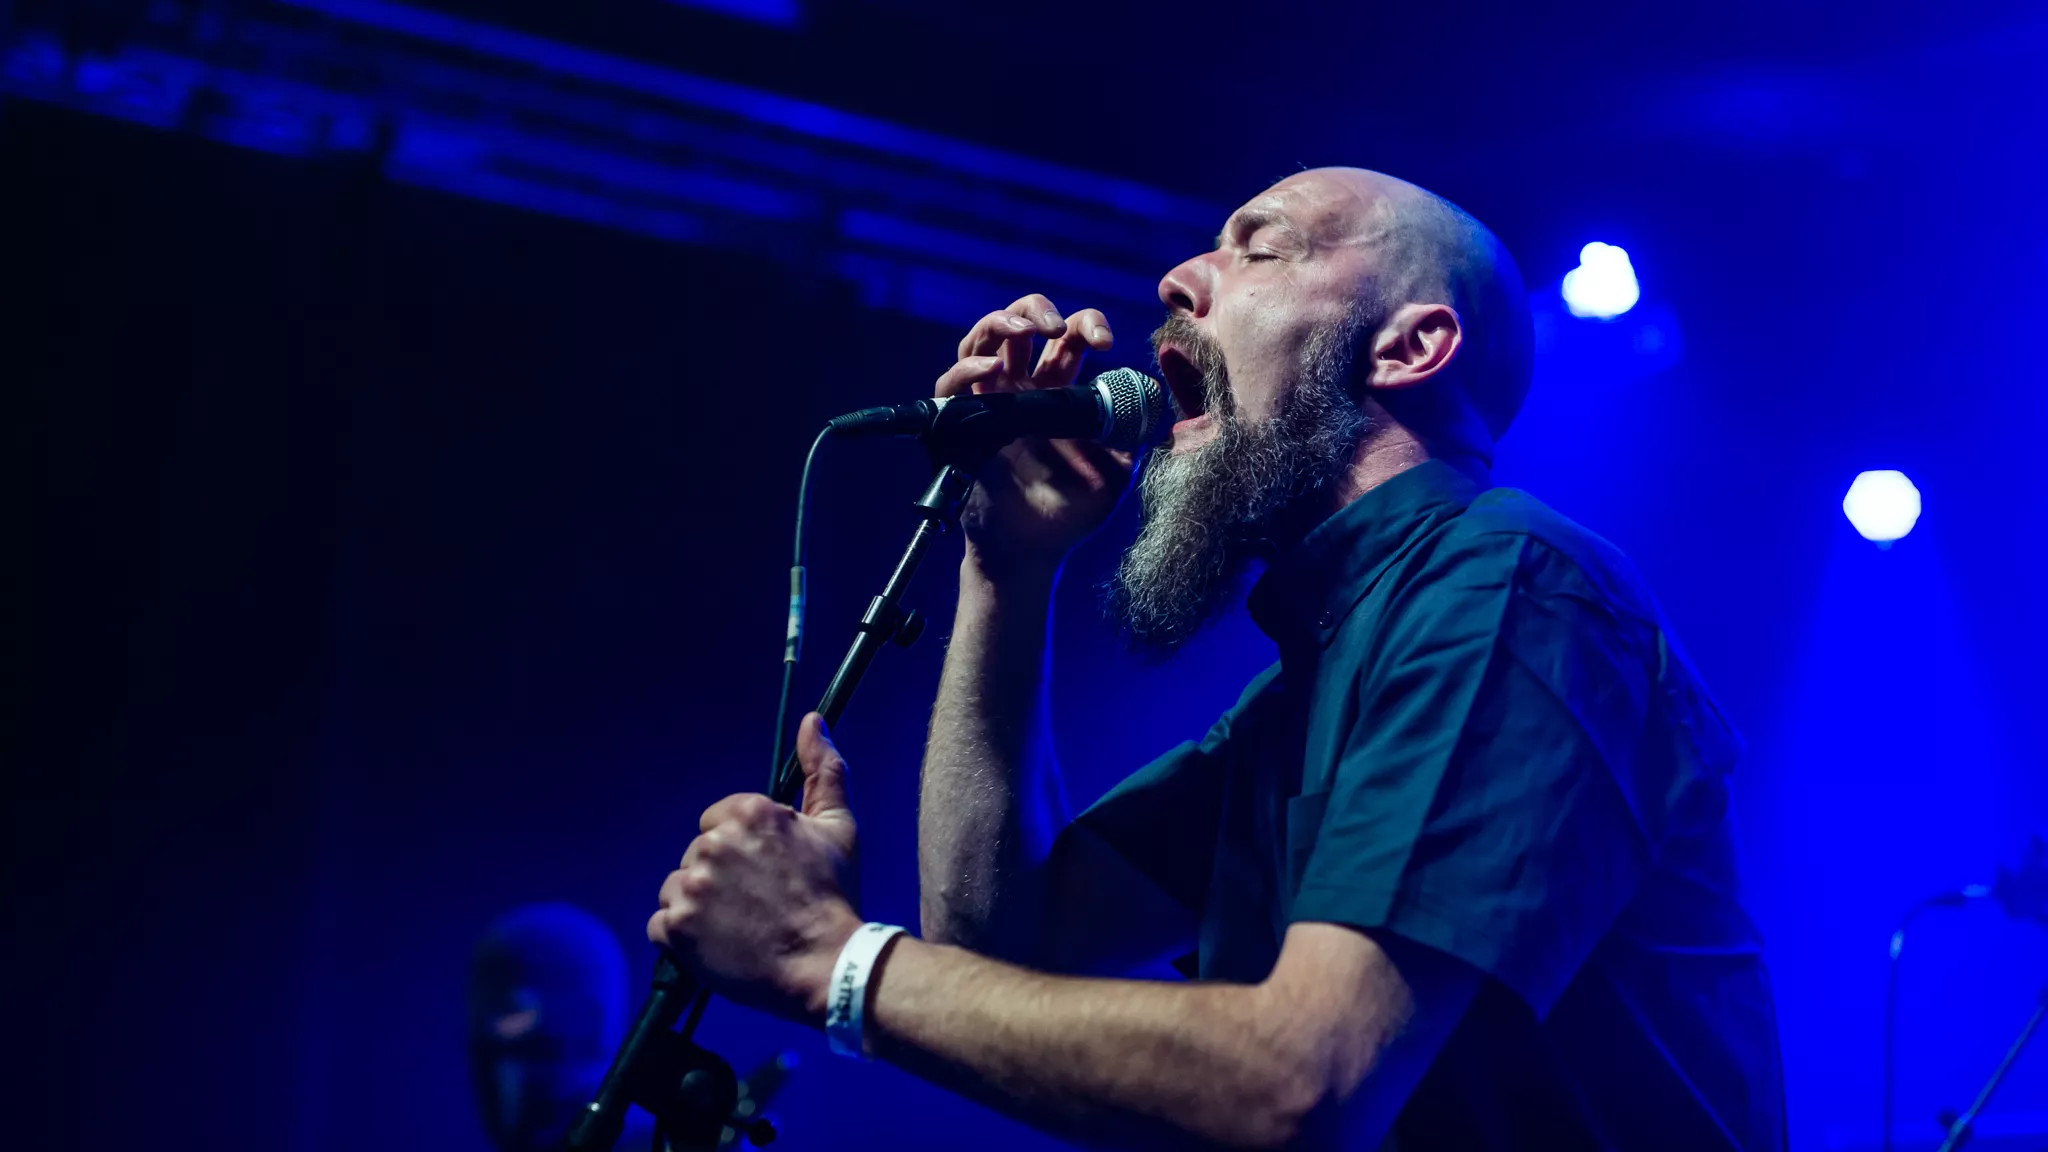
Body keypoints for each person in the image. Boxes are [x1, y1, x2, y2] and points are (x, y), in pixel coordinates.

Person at [647, 167, 1786, 1149]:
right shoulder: (1301, 695)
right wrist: (1006, 568)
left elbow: (1302, 1085)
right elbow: (1002, 943)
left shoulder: (1510, 591)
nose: (1178, 280)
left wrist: (827, 959)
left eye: (1260, 247)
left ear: (1411, 345)